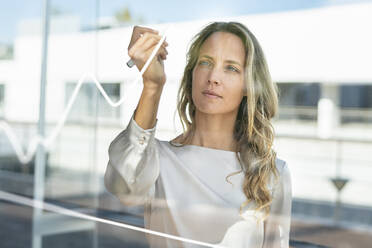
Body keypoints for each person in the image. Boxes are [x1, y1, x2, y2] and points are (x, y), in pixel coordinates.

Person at [104, 22, 292, 248]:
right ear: (191, 73)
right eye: (206, 62)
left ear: (247, 85)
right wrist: (152, 86)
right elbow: (123, 189)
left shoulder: (271, 173)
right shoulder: (157, 159)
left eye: (231, 68)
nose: (213, 76)